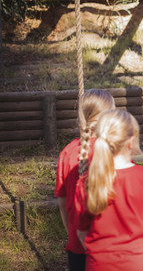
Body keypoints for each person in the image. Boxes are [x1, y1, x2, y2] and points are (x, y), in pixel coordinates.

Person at [74, 110, 143, 271]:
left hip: (98, 265)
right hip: (141, 264)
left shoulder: (85, 182)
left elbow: (81, 232)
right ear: (131, 142)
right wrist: (141, 255)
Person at [55, 89, 115, 270]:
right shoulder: (115, 152)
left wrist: (73, 233)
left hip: (78, 245)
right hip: (111, 245)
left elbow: (63, 203)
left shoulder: (67, 152)